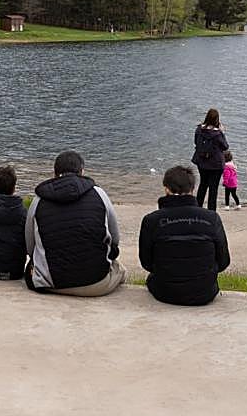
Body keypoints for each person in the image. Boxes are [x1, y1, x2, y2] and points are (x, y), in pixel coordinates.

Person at [25, 150, 126, 296]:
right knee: (120, 270)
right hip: (96, 283)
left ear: (54, 173)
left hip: (50, 283)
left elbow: (30, 246)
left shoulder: (38, 200)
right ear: (82, 171)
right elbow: (115, 239)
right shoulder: (99, 194)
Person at [138, 165, 231, 305]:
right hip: (204, 293)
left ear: (166, 189)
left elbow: (146, 263)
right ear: (192, 190)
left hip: (164, 292)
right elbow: (224, 262)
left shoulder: (151, 220)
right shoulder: (212, 218)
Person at [191, 108, 229, 211]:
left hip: (202, 162)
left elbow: (196, 142)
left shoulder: (199, 129)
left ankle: (197, 209)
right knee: (213, 189)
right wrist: (222, 132)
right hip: (216, 164)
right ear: (217, 119)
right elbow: (225, 146)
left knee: (203, 185)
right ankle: (211, 212)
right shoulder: (218, 134)